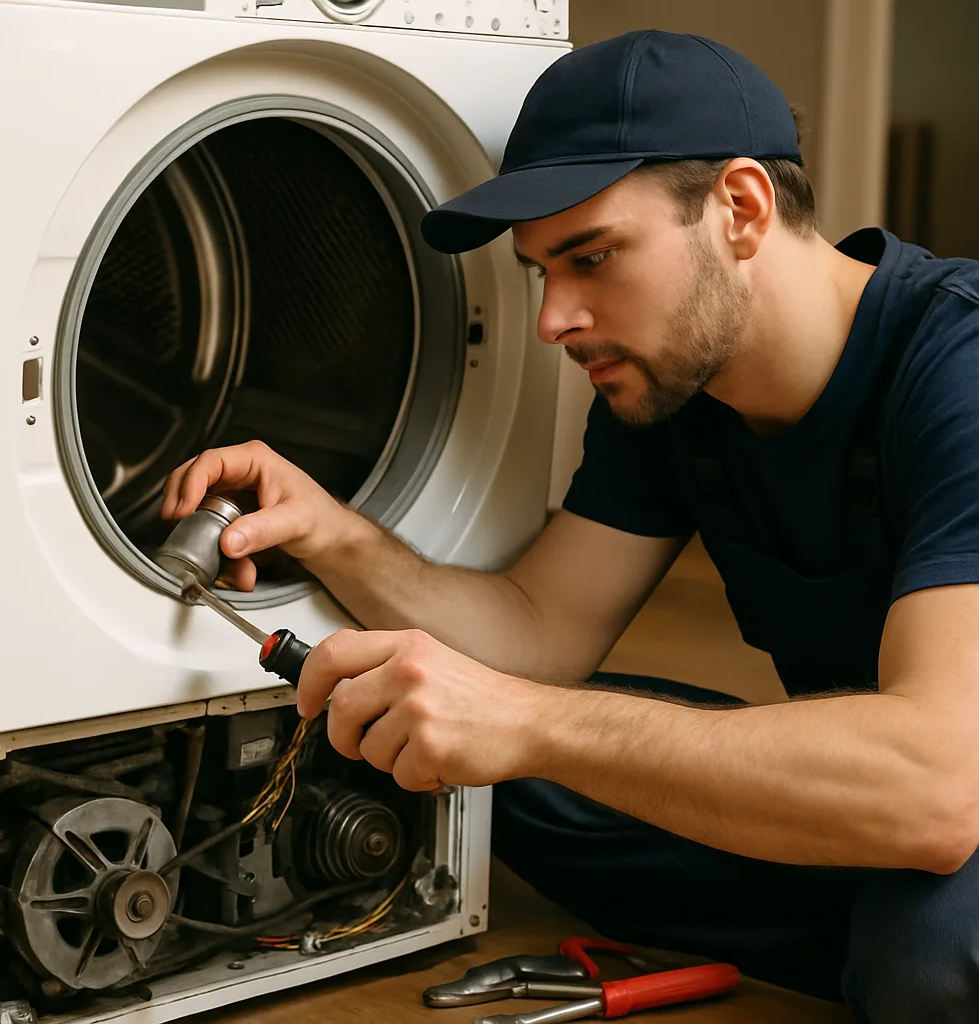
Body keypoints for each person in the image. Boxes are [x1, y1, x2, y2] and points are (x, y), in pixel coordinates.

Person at [162, 30, 979, 1022]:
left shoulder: (956, 367)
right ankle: (867, 905)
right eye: (543, 270)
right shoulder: (677, 384)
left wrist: (525, 722)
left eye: (591, 257)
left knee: (925, 962)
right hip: (905, 792)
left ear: (741, 208)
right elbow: (538, 632)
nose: (554, 318)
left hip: (944, 779)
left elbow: (937, 785)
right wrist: (331, 530)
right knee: (507, 785)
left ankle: (893, 927)